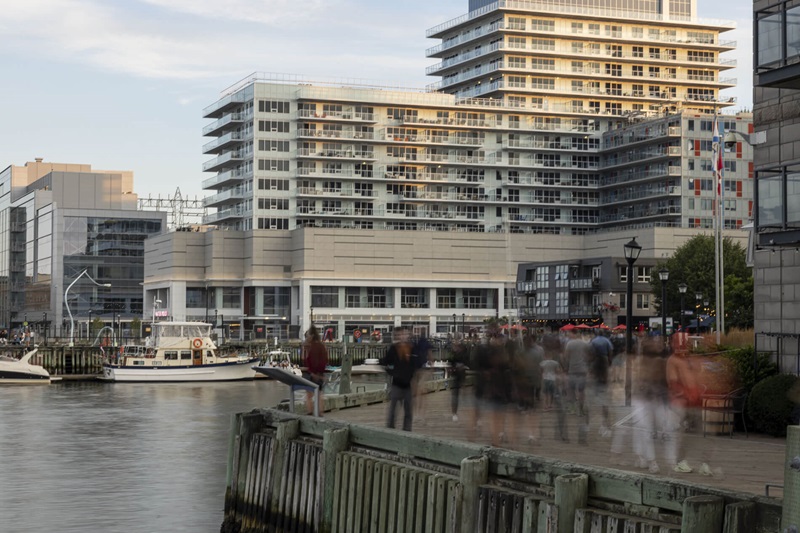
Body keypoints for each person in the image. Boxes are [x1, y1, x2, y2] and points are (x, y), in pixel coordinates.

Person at [379, 328, 419, 431]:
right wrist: (392, 373)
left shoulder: (411, 348)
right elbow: (385, 362)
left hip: (408, 384)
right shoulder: (393, 349)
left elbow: (415, 365)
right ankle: (390, 428)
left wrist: (415, 380)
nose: (401, 337)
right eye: (399, 335)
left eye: (403, 334)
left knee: (408, 410)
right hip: (396, 383)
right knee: (392, 409)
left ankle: (407, 429)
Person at [303, 326, 328, 416]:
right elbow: (324, 360)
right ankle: (320, 412)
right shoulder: (322, 346)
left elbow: (306, 360)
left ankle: (310, 411)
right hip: (319, 373)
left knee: (309, 394)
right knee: (319, 394)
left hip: (311, 373)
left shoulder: (309, 346)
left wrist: (313, 372)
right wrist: (321, 373)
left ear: (311, 336)